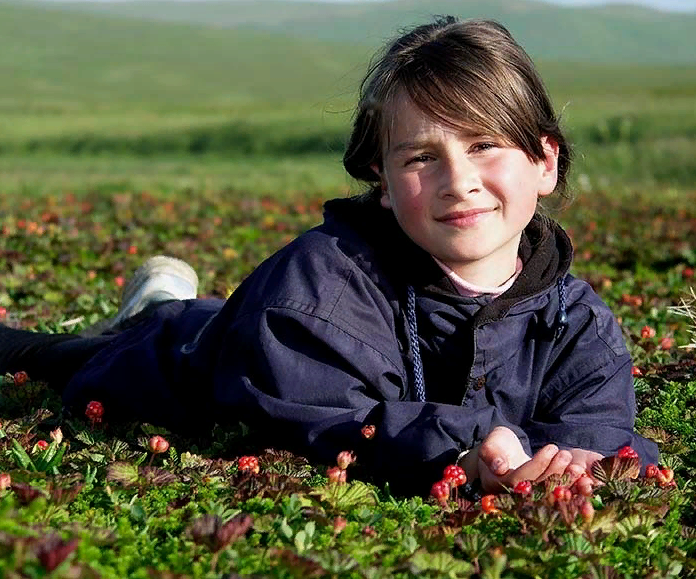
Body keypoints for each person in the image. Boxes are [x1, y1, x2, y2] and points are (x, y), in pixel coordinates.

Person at [0, 17, 658, 496]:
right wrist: (472, 448)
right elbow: (326, 417)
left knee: (199, 315)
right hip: (188, 361)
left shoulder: (579, 320)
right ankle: (154, 311)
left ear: (545, 161)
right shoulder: (317, 285)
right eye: (422, 156)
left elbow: (603, 430)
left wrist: (573, 463)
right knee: (67, 357)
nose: (459, 181)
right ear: (380, 178)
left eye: (485, 144)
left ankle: (170, 302)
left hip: (247, 325)